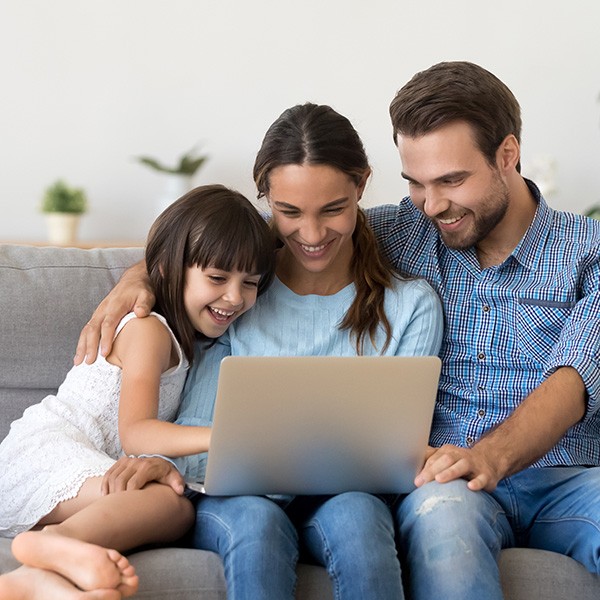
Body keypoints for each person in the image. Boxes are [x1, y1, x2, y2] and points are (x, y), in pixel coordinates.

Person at [74, 102, 444, 600]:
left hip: (346, 494)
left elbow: (394, 450)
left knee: (359, 521)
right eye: (289, 212)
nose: (311, 236)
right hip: (235, 495)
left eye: (333, 210)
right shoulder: (240, 293)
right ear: (265, 196)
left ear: (362, 186)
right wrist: (136, 274)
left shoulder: (410, 305)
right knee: (258, 527)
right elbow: (183, 264)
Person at [365, 60, 600, 599]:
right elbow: (272, 239)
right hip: (448, 486)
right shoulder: (404, 231)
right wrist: (147, 271)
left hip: (571, 478)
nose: (433, 205)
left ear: (507, 156)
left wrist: (489, 458)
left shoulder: (589, 251)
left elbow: (574, 380)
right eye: (416, 183)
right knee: (444, 523)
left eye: (451, 179)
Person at [0, 185, 276, 600]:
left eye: (250, 283)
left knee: (172, 504)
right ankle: (60, 541)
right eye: (218, 278)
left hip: (82, 468)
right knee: (171, 503)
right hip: (45, 454)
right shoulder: (149, 330)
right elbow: (137, 434)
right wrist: (230, 436)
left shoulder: (188, 340)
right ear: (168, 269)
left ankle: (38, 577)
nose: (235, 297)